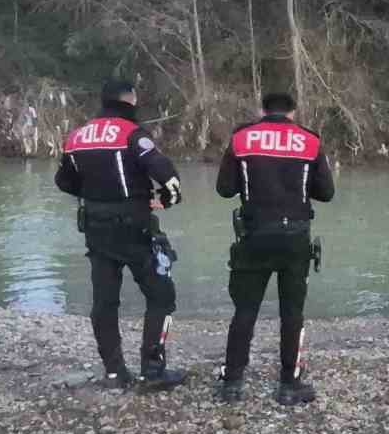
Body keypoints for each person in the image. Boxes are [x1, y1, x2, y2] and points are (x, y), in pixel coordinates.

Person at [54, 80, 187, 391]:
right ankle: (153, 370)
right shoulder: (132, 134)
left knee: (104, 301)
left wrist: (94, 194)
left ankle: (114, 373)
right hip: (134, 228)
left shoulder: (77, 137)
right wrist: (168, 200)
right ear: (131, 100)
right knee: (161, 295)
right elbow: (168, 177)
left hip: (96, 230)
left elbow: (63, 181)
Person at [214, 91, 335, 405]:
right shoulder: (309, 141)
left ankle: (232, 383)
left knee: (245, 309)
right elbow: (326, 193)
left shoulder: (241, 139)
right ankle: (289, 384)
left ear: (262, 110)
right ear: (293, 111)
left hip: (254, 236)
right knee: (292, 312)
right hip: (295, 237)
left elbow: (224, 189)